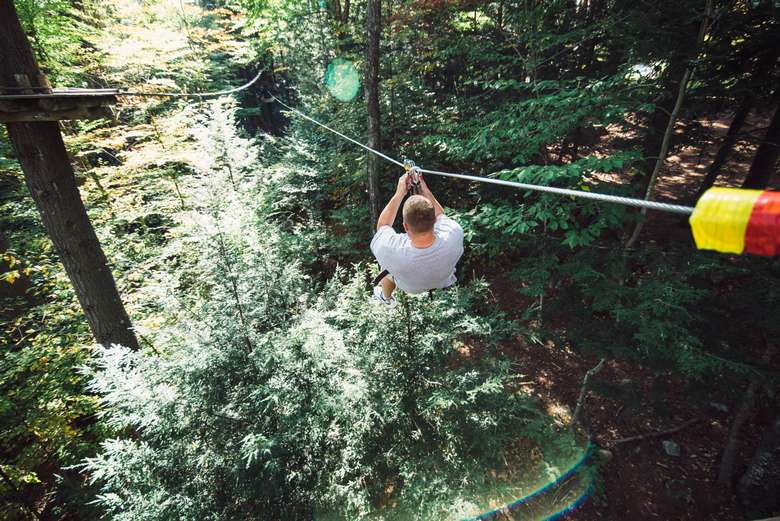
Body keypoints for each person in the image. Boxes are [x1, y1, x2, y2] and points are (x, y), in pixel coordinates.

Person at [370, 172, 464, 307]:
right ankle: (386, 296)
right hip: (442, 279)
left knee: (387, 269)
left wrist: (400, 193)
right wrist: (423, 188)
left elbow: (383, 226)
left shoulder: (390, 249)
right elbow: (441, 215)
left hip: (411, 286)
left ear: (405, 226)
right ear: (434, 221)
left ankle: (386, 297)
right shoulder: (454, 233)